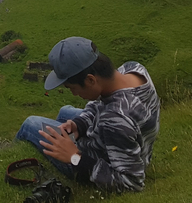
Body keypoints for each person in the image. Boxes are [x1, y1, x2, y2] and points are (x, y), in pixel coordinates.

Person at [15, 36, 160, 192]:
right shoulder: (133, 69)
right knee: (65, 111)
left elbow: (132, 183)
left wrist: (74, 157)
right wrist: (79, 125)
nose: (74, 94)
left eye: (72, 88)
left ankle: (10, 155)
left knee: (30, 123)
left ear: (90, 80)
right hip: (136, 147)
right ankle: (70, 137)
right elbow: (101, 104)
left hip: (96, 163)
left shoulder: (114, 120)